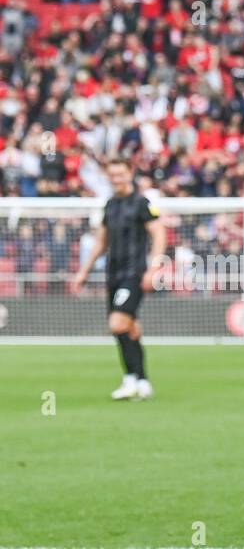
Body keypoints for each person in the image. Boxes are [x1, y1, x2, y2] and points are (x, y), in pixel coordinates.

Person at [70, 157, 166, 401]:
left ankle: (130, 379)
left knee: (117, 323)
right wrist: (84, 271)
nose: (116, 179)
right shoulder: (110, 205)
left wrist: (154, 268)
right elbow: (101, 243)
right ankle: (142, 382)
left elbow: (159, 233)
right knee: (129, 328)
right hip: (113, 275)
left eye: (120, 174)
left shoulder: (142, 203)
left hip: (134, 274)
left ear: (130, 172)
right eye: (112, 175)